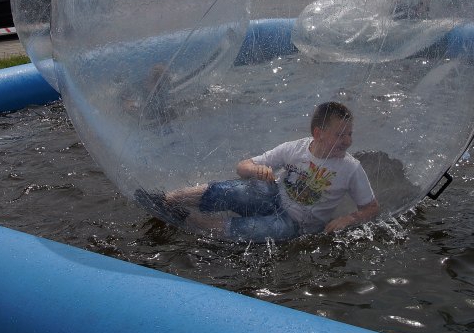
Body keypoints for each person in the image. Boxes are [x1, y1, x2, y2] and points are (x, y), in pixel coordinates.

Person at [140, 102, 379, 242]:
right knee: (241, 190)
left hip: (295, 224)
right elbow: (242, 167)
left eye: (350, 134)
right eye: (340, 134)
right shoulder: (294, 149)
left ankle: (186, 219)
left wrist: (348, 219)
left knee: (252, 230)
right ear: (319, 134)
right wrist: (257, 170)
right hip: (273, 197)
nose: (348, 141)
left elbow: (371, 208)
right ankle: (167, 199)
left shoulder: (350, 168)